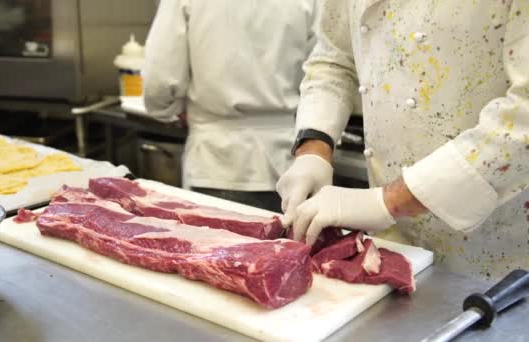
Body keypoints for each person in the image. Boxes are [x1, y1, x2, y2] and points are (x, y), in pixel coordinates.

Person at [277, 1, 528, 280]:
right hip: (391, 245)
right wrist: (313, 148)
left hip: (495, 253)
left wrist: (386, 202)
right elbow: (334, 58)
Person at [143, 0, 321, 213]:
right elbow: (322, 75)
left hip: (216, 163)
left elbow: (159, 80)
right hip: (288, 163)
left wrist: (169, 110)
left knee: (213, 243)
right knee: (283, 244)